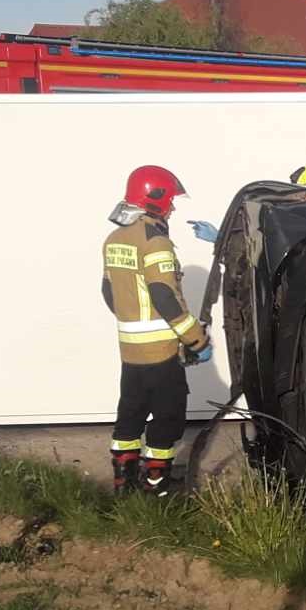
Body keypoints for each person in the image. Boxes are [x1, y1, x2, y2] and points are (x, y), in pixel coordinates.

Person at [102, 164, 211, 498]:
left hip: (130, 350)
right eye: (170, 200)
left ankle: (124, 482)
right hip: (160, 352)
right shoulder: (156, 241)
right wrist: (196, 339)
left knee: (130, 412)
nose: (173, 207)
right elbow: (165, 296)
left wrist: (133, 320)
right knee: (168, 415)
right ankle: (156, 483)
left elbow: (108, 291)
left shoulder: (114, 239)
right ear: (156, 198)